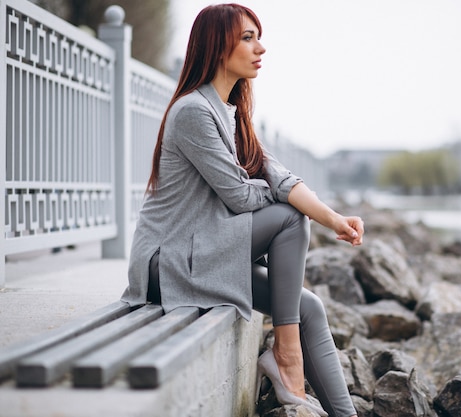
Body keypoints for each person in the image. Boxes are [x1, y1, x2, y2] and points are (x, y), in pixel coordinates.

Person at [120, 4, 363, 417]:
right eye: (247, 38)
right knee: (289, 217)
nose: (260, 48)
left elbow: (280, 178)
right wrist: (279, 194)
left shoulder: (233, 114)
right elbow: (240, 197)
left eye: (258, 36)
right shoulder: (193, 111)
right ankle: (287, 356)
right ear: (216, 46)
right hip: (169, 262)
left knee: (310, 307)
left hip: (205, 252)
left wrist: (334, 220)